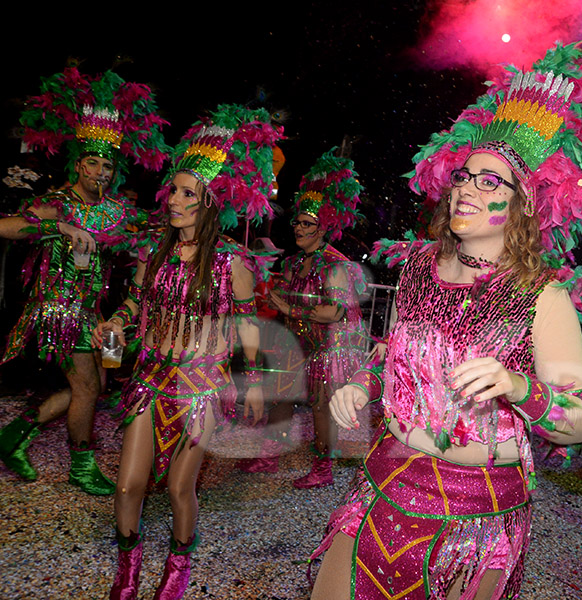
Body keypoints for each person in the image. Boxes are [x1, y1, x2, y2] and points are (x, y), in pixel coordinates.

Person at [309, 43, 582, 600]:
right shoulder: (417, 266)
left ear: (527, 204)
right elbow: (396, 355)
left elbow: (581, 422)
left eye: (490, 181)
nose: (465, 186)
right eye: (464, 175)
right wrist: (362, 385)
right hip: (385, 484)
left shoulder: (543, 295)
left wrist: (517, 386)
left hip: (478, 514)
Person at [95, 105, 282, 600]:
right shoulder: (152, 253)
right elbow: (135, 302)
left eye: (185, 194)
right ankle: (128, 569)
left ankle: (177, 567)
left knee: (181, 488)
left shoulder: (231, 264)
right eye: (173, 191)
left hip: (202, 384)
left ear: (209, 206)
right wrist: (116, 320)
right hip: (150, 380)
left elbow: (245, 323)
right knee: (128, 485)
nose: (172, 200)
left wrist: (256, 383)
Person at [0, 68, 168, 495]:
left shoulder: (116, 210)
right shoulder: (56, 202)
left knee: (100, 384)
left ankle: (13, 434)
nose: (101, 170)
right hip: (58, 308)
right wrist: (60, 227)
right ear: (79, 163)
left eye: (108, 164)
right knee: (88, 388)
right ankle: (82, 467)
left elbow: (150, 230)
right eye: (93, 161)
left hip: (98, 315)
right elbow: (7, 227)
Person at [240, 148, 367, 486]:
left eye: (307, 224)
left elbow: (335, 311)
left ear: (322, 229)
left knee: (322, 408)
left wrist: (289, 309)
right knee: (279, 397)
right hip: (296, 342)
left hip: (328, 347)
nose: (298, 228)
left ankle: (322, 470)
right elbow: (281, 296)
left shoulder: (336, 264)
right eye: (297, 221)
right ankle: (269, 457)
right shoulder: (293, 262)